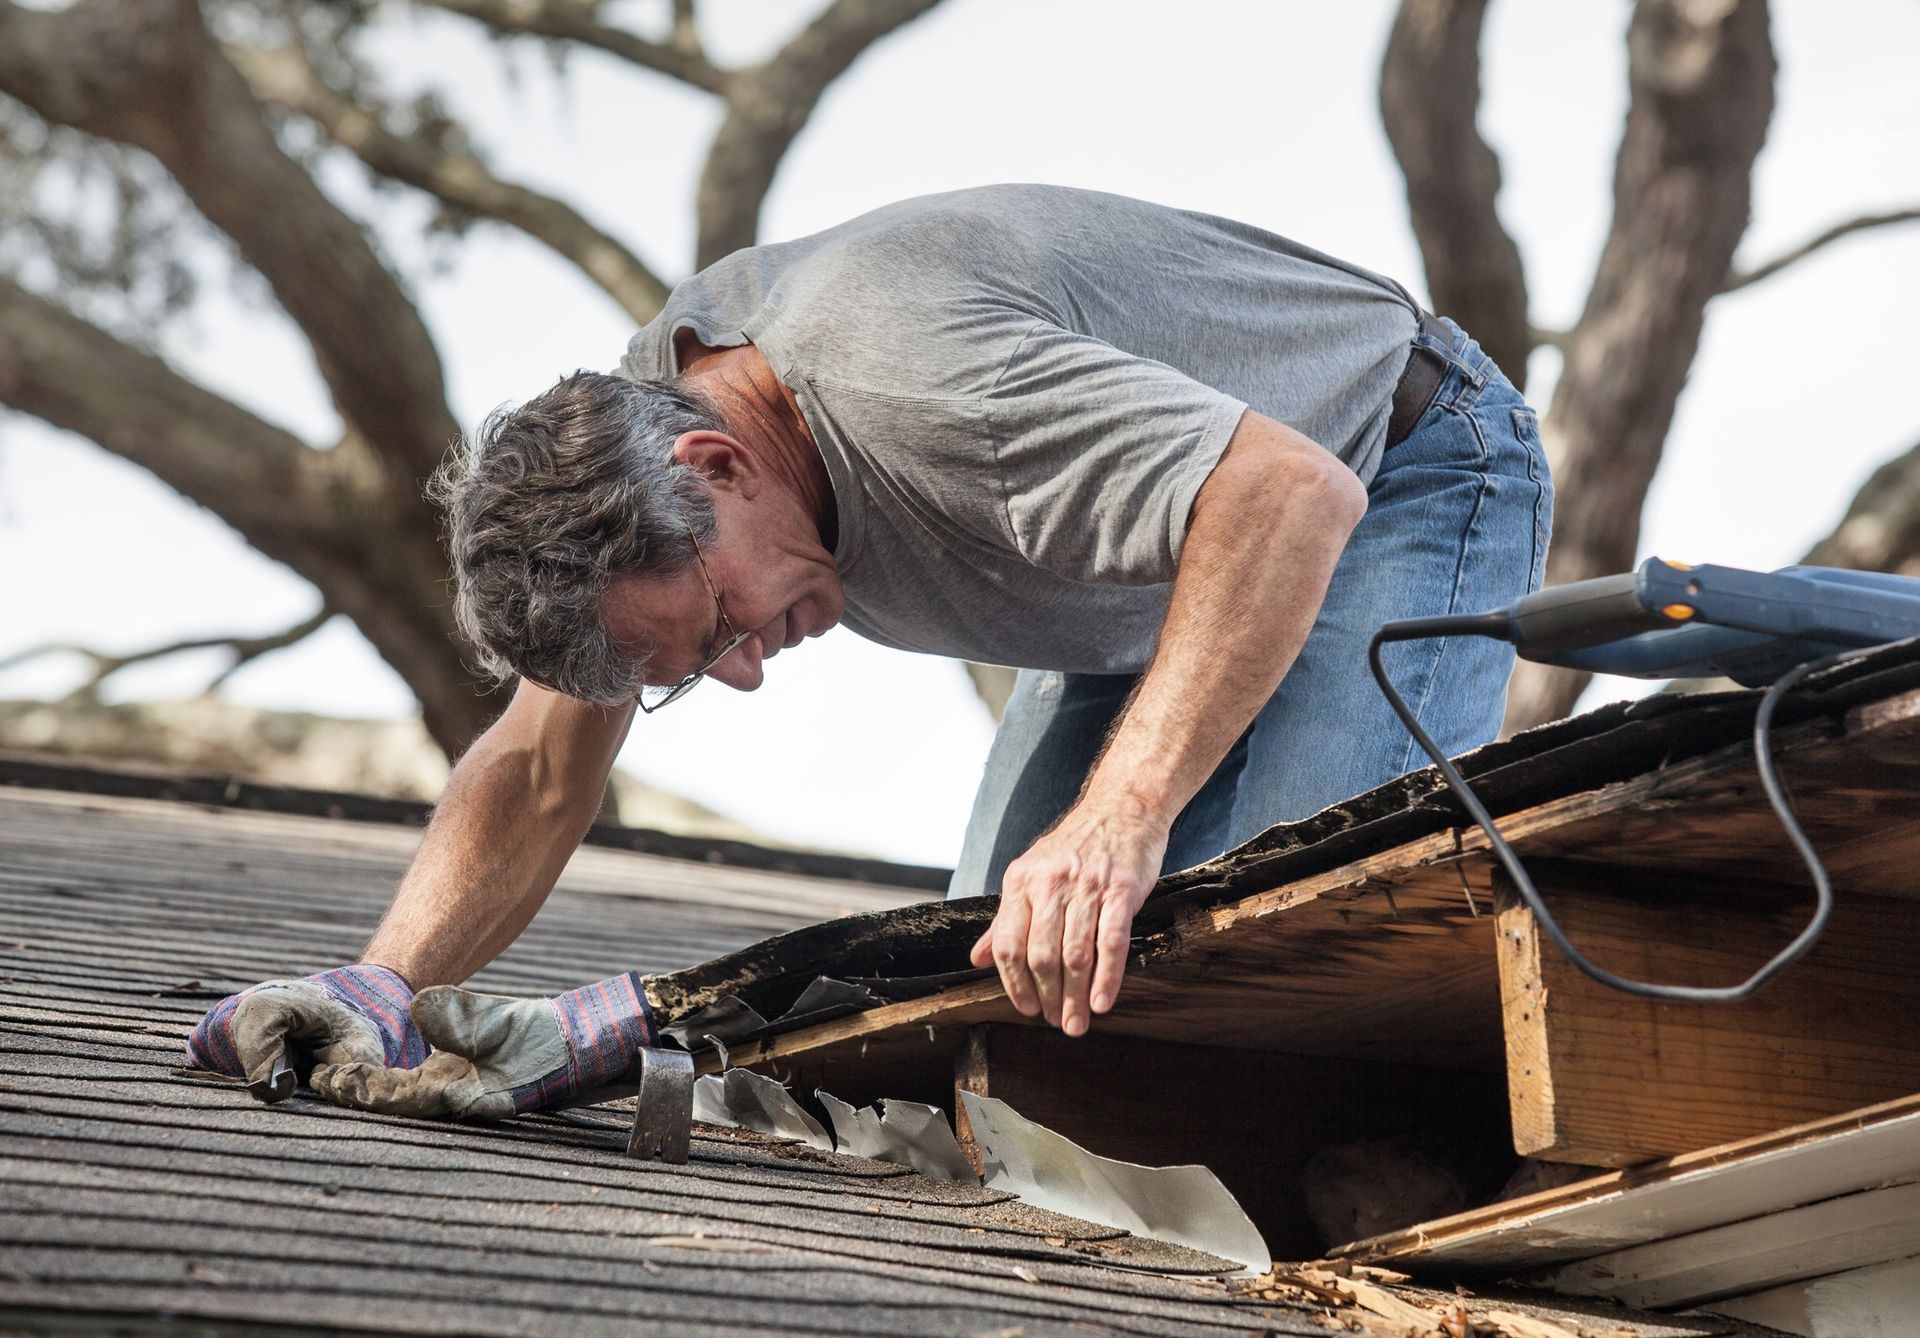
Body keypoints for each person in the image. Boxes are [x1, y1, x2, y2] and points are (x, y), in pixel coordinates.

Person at [186, 185, 1551, 1117]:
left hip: (1397, 466)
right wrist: (383, 986)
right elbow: (542, 770)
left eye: (717, 628)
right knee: (1007, 1019)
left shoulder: (919, 385)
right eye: (689, 673)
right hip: (1145, 577)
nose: (745, 670)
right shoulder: (627, 458)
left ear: (719, 463)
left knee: (1296, 973)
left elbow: (1284, 496)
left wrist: (1121, 816)